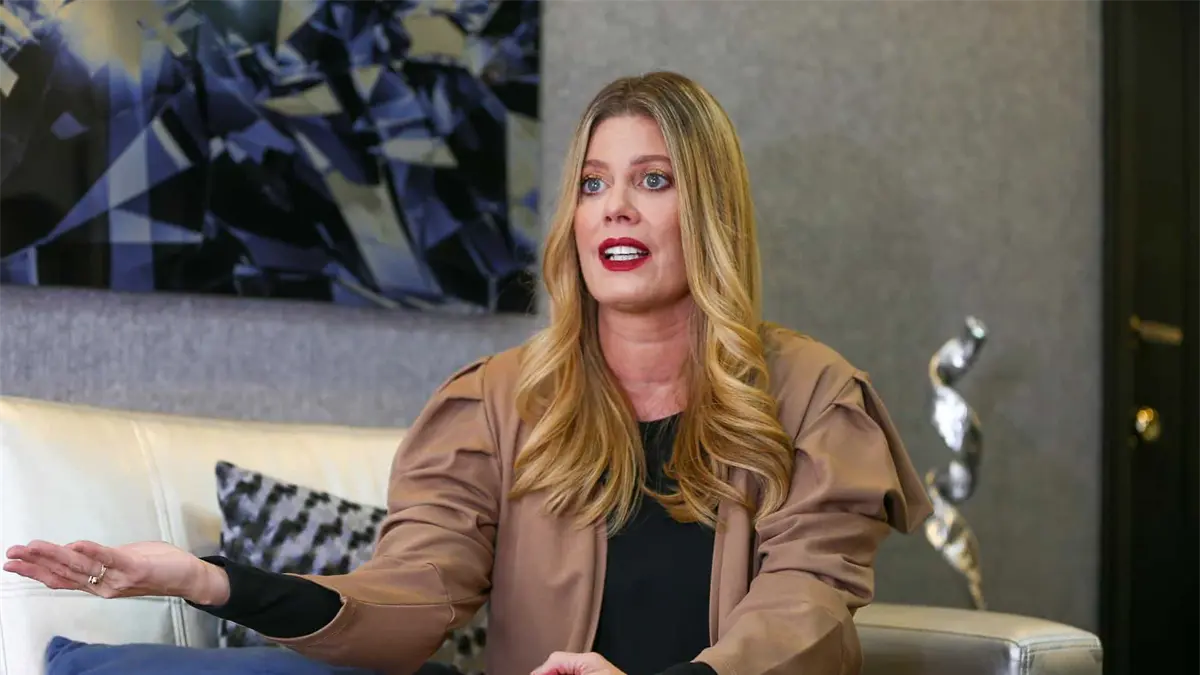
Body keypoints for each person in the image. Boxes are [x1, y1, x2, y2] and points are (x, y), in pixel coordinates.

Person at [4, 71, 932, 675]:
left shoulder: (812, 393)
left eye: (653, 180)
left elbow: (805, 608)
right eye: (593, 183)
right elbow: (408, 598)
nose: (614, 208)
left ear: (712, 209)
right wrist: (211, 581)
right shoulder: (495, 399)